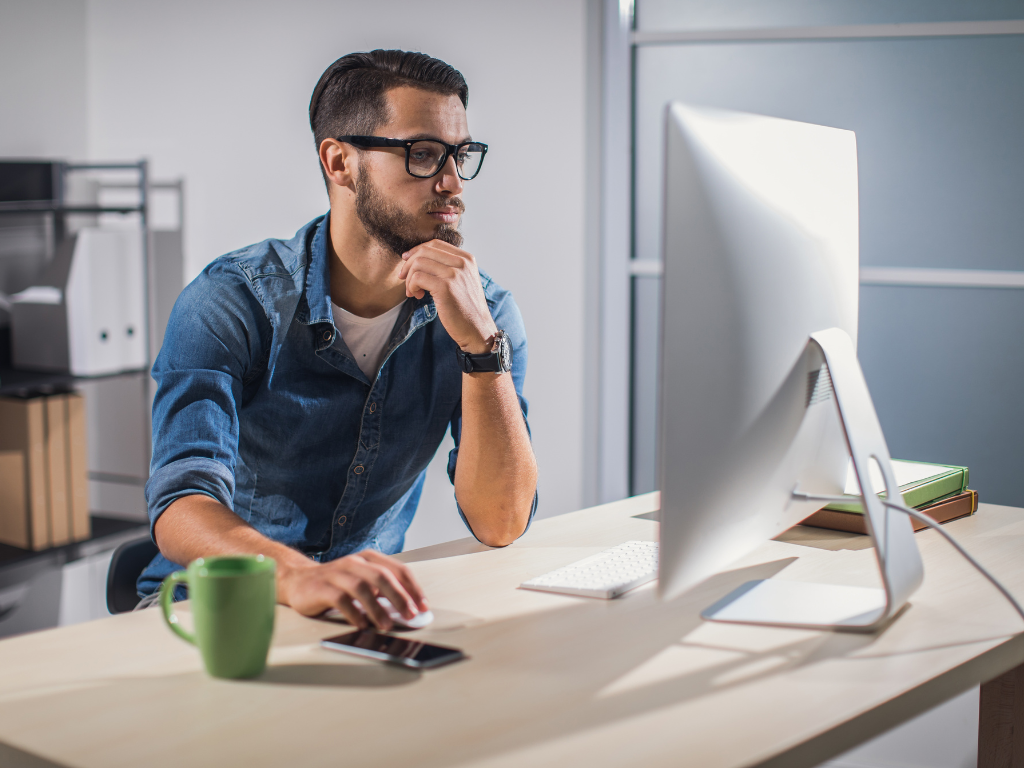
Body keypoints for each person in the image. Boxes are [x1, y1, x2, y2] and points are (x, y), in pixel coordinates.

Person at [136, 50, 539, 631]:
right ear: (340, 162)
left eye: (460, 155)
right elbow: (181, 506)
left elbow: (501, 521)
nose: (452, 184)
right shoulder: (230, 301)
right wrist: (301, 577)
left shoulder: (486, 315)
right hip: (208, 611)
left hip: (362, 612)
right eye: (423, 155)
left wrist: (482, 348)